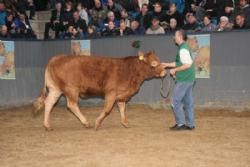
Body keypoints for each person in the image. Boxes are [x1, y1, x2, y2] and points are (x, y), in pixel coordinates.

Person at [162, 29, 196, 131]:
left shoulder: (183, 49)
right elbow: (180, 63)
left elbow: (187, 65)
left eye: (175, 36)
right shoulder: (184, 47)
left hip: (184, 79)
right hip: (189, 78)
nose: (174, 37)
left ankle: (180, 124)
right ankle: (190, 124)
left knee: (175, 102)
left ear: (180, 36)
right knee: (188, 103)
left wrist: (174, 70)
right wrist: (167, 64)